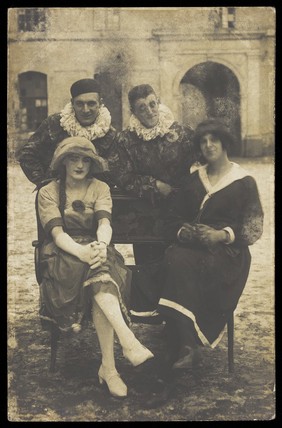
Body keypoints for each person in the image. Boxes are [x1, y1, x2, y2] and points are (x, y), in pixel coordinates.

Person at [141, 118, 264, 407]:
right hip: (190, 248)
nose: (208, 146)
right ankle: (185, 344)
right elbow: (171, 219)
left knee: (181, 263)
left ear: (224, 143)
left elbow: (253, 227)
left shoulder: (244, 181)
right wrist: (184, 231)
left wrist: (222, 235)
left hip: (228, 255)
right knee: (175, 257)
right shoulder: (193, 180)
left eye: (214, 140)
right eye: (203, 142)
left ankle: (180, 349)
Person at [37, 136, 153, 398]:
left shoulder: (100, 187)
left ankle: (110, 367)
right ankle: (125, 346)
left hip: (94, 248)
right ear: (63, 161)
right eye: (74, 158)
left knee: (103, 275)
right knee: (96, 274)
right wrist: (81, 251)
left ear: (92, 165)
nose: (79, 165)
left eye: (86, 160)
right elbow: (56, 233)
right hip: (64, 252)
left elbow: (104, 223)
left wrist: (101, 245)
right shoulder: (49, 191)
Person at [108, 84, 198, 320]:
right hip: (145, 215)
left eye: (152, 103)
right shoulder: (125, 140)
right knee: (149, 263)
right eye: (141, 107)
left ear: (158, 102)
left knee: (178, 262)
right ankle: (152, 310)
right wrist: (154, 185)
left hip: (179, 212)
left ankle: (176, 317)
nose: (149, 111)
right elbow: (122, 176)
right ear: (133, 111)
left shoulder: (181, 134)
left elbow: (202, 161)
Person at [19, 78, 117, 188]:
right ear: (72, 103)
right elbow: (27, 154)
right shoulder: (54, 124)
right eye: (79, 103)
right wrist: (45, 182)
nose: (85, 110)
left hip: (93, 196)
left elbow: (114, 170)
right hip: (56, 193)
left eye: (91, 103)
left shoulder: (109, 132)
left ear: (100, 103)